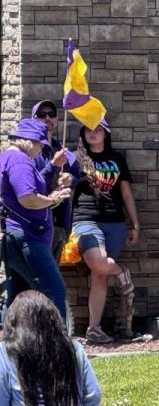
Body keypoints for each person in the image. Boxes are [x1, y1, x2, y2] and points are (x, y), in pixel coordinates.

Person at [72, 120, 141, 344]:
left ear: (106, 133)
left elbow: (127, 194)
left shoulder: (117, 159)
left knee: (100, 275)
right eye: (89, 129)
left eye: (98, 129)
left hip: (115, 223)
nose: (93, 133)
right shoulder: (75, 159)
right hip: (85, 220)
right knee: (99, 262)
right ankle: (123, 275)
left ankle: (94, 329)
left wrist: (135, 224)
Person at [0, 120, 72, 319]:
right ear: (29, 141)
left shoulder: (8, 157)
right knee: (54, 291)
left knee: (17, 296)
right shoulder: (19, 160)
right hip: (27, 237)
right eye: (41, 144)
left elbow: (28, 186)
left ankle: (8, 347)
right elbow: (28, 198)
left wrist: (52, 173)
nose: (41, 149)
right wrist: (52, 198)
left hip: (17, 236)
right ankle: (58, 346)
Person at [30, 100, 81, 263]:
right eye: (41, 115)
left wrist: (70, 179)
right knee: (35, 279)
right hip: (35, 224)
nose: (47, 118)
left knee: (50, 281)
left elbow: (76, 177)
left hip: (58, 224)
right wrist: (52, 166)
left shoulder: (63, 150)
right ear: (33, 120)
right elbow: (31, 184)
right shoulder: (29, 151)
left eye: (51, 115)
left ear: (57, 120)